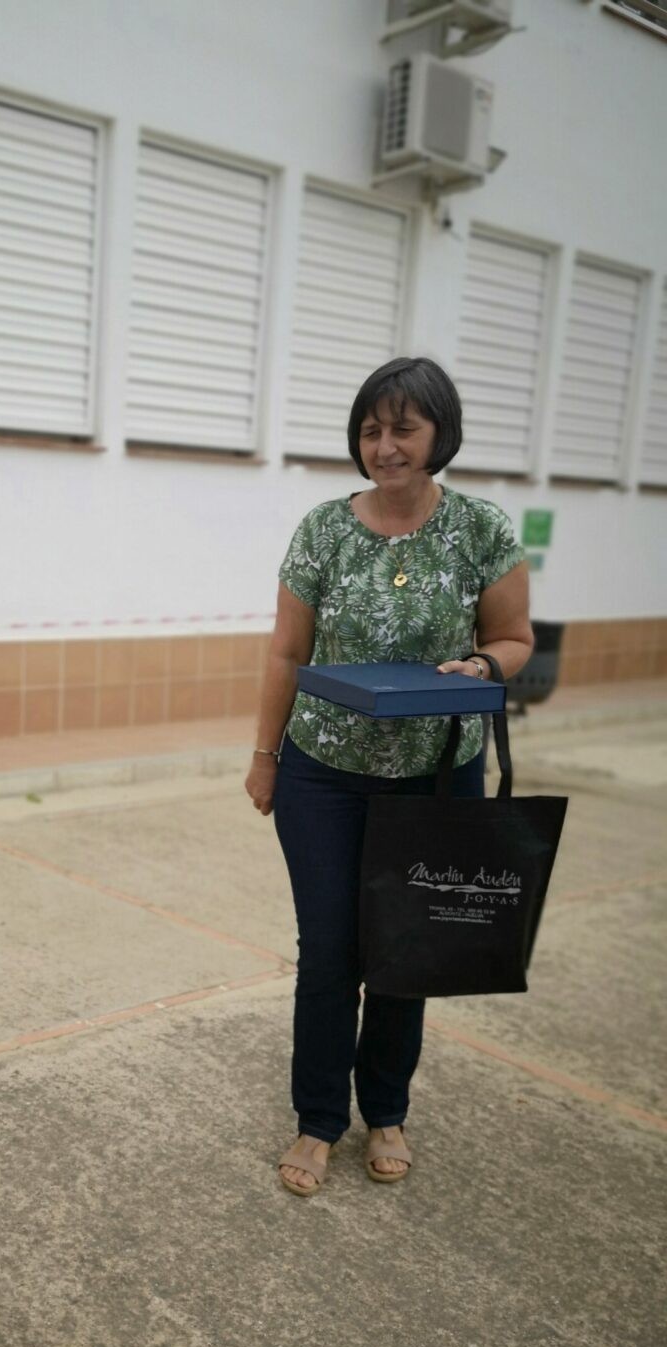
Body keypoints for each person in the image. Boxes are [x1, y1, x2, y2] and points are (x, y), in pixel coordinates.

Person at [244, 356, 532, 1197]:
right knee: (329, 952)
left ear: (440, 432)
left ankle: (388, 1111)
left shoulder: (481, 529)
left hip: (437, 774)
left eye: (404, 428)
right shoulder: (323, 531)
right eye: (371, 430)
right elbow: (287, 652)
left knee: (407, 951)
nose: (385, 446)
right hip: (323, 775)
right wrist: (265, 755)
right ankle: (317, 1120)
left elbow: (515, 638)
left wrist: (484, 664)